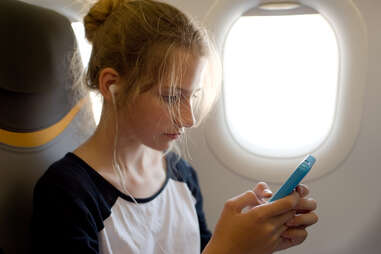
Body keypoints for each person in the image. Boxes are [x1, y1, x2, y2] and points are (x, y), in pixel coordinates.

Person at [31, 0, 318, 253]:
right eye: (170, 97)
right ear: (111, 85)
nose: (189, 119)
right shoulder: (67, 193)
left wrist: (251, 242)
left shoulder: (181, 175)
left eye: (192, 96)